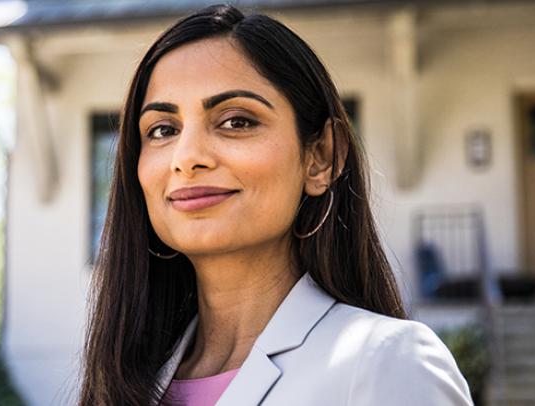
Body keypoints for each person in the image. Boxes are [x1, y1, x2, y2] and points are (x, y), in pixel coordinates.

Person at [78, 4, 473, 405]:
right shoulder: (122, 383)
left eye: (236, 121)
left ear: (320, 156)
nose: (186, 156)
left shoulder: (389, 364)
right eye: (163, 129)